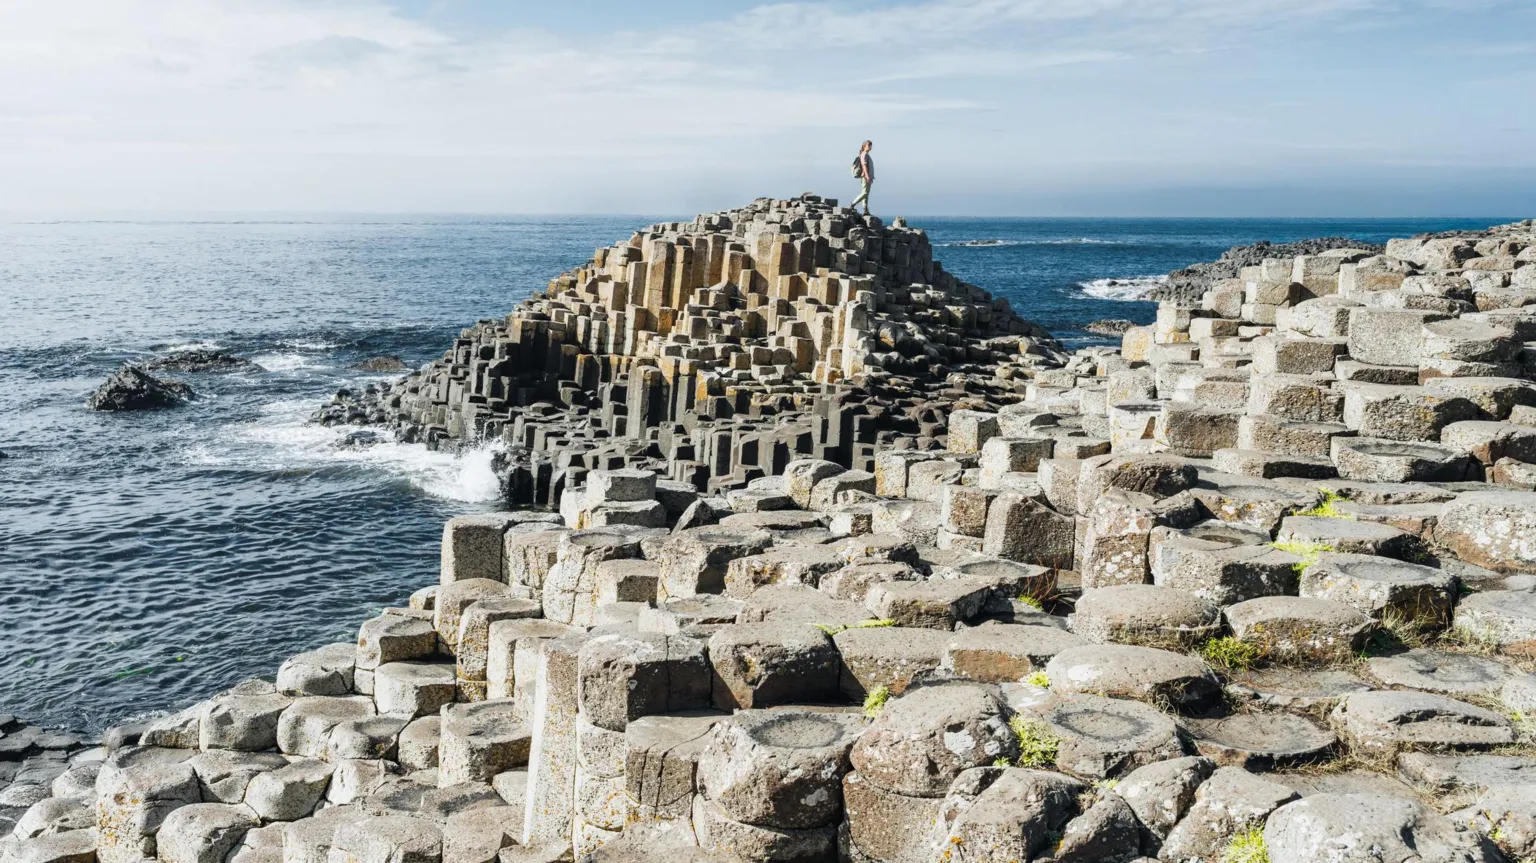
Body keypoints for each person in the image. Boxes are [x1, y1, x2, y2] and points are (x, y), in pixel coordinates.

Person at [850, 140, 874, 215]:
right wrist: (867, 176)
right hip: (865, 176)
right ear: (864, 146)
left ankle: (865, 210)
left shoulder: (866, 154)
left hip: (867, 176)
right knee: (865, 193)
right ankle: (853, 204)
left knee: (866, 194)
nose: (870, 147)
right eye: (869, 145)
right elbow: (864, 165)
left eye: (871, 145)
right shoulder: (864, 154)